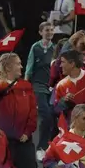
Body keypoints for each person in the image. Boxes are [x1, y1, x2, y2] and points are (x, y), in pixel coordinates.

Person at [25, 22, 56, 160]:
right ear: (40, 32)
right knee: (46, 115)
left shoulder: (55, 49)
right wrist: (25, 87)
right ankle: (41, 147)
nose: (49, 32)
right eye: (46, 30)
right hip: (38, 86)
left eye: (51, 30)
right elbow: (29, 67)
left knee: (53, 117)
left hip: (52, 87)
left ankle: (53, 146)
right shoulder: (35, 47)